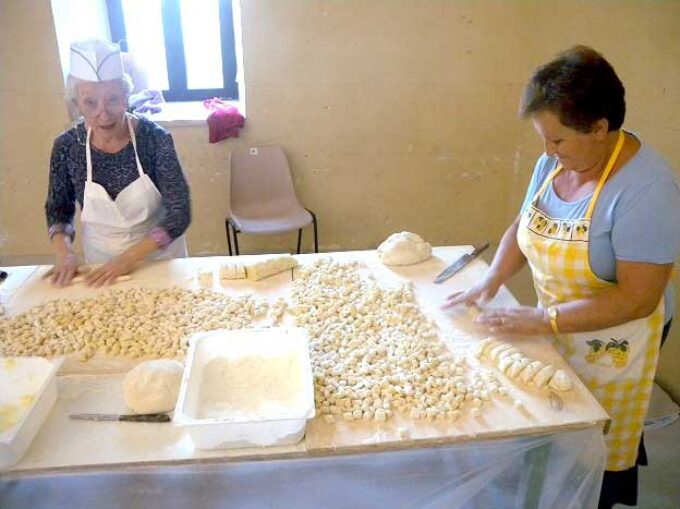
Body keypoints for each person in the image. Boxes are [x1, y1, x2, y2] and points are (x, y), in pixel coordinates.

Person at [445, 46, 680, 508]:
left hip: (618, 340)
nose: (548, 152)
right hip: (556, 321)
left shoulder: (648, 190)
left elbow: (637, 299)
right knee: (557, 428)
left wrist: (543, 320)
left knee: (599, 443)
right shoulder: (555, 163)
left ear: (599, 128)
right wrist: (491, 280)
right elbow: (524, 225)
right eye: (544, 139)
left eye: (558, 141)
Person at [45, 39, 191, 287]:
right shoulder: (67, 146)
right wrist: (65, 252)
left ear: (126, 95)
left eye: (112, 98)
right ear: (76, 103)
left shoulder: (154, 140)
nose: (103, 113)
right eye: (90, 103)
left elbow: (179, 213)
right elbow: (59, 208)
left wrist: (128, 259)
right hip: (100, 264)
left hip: (158, 260)